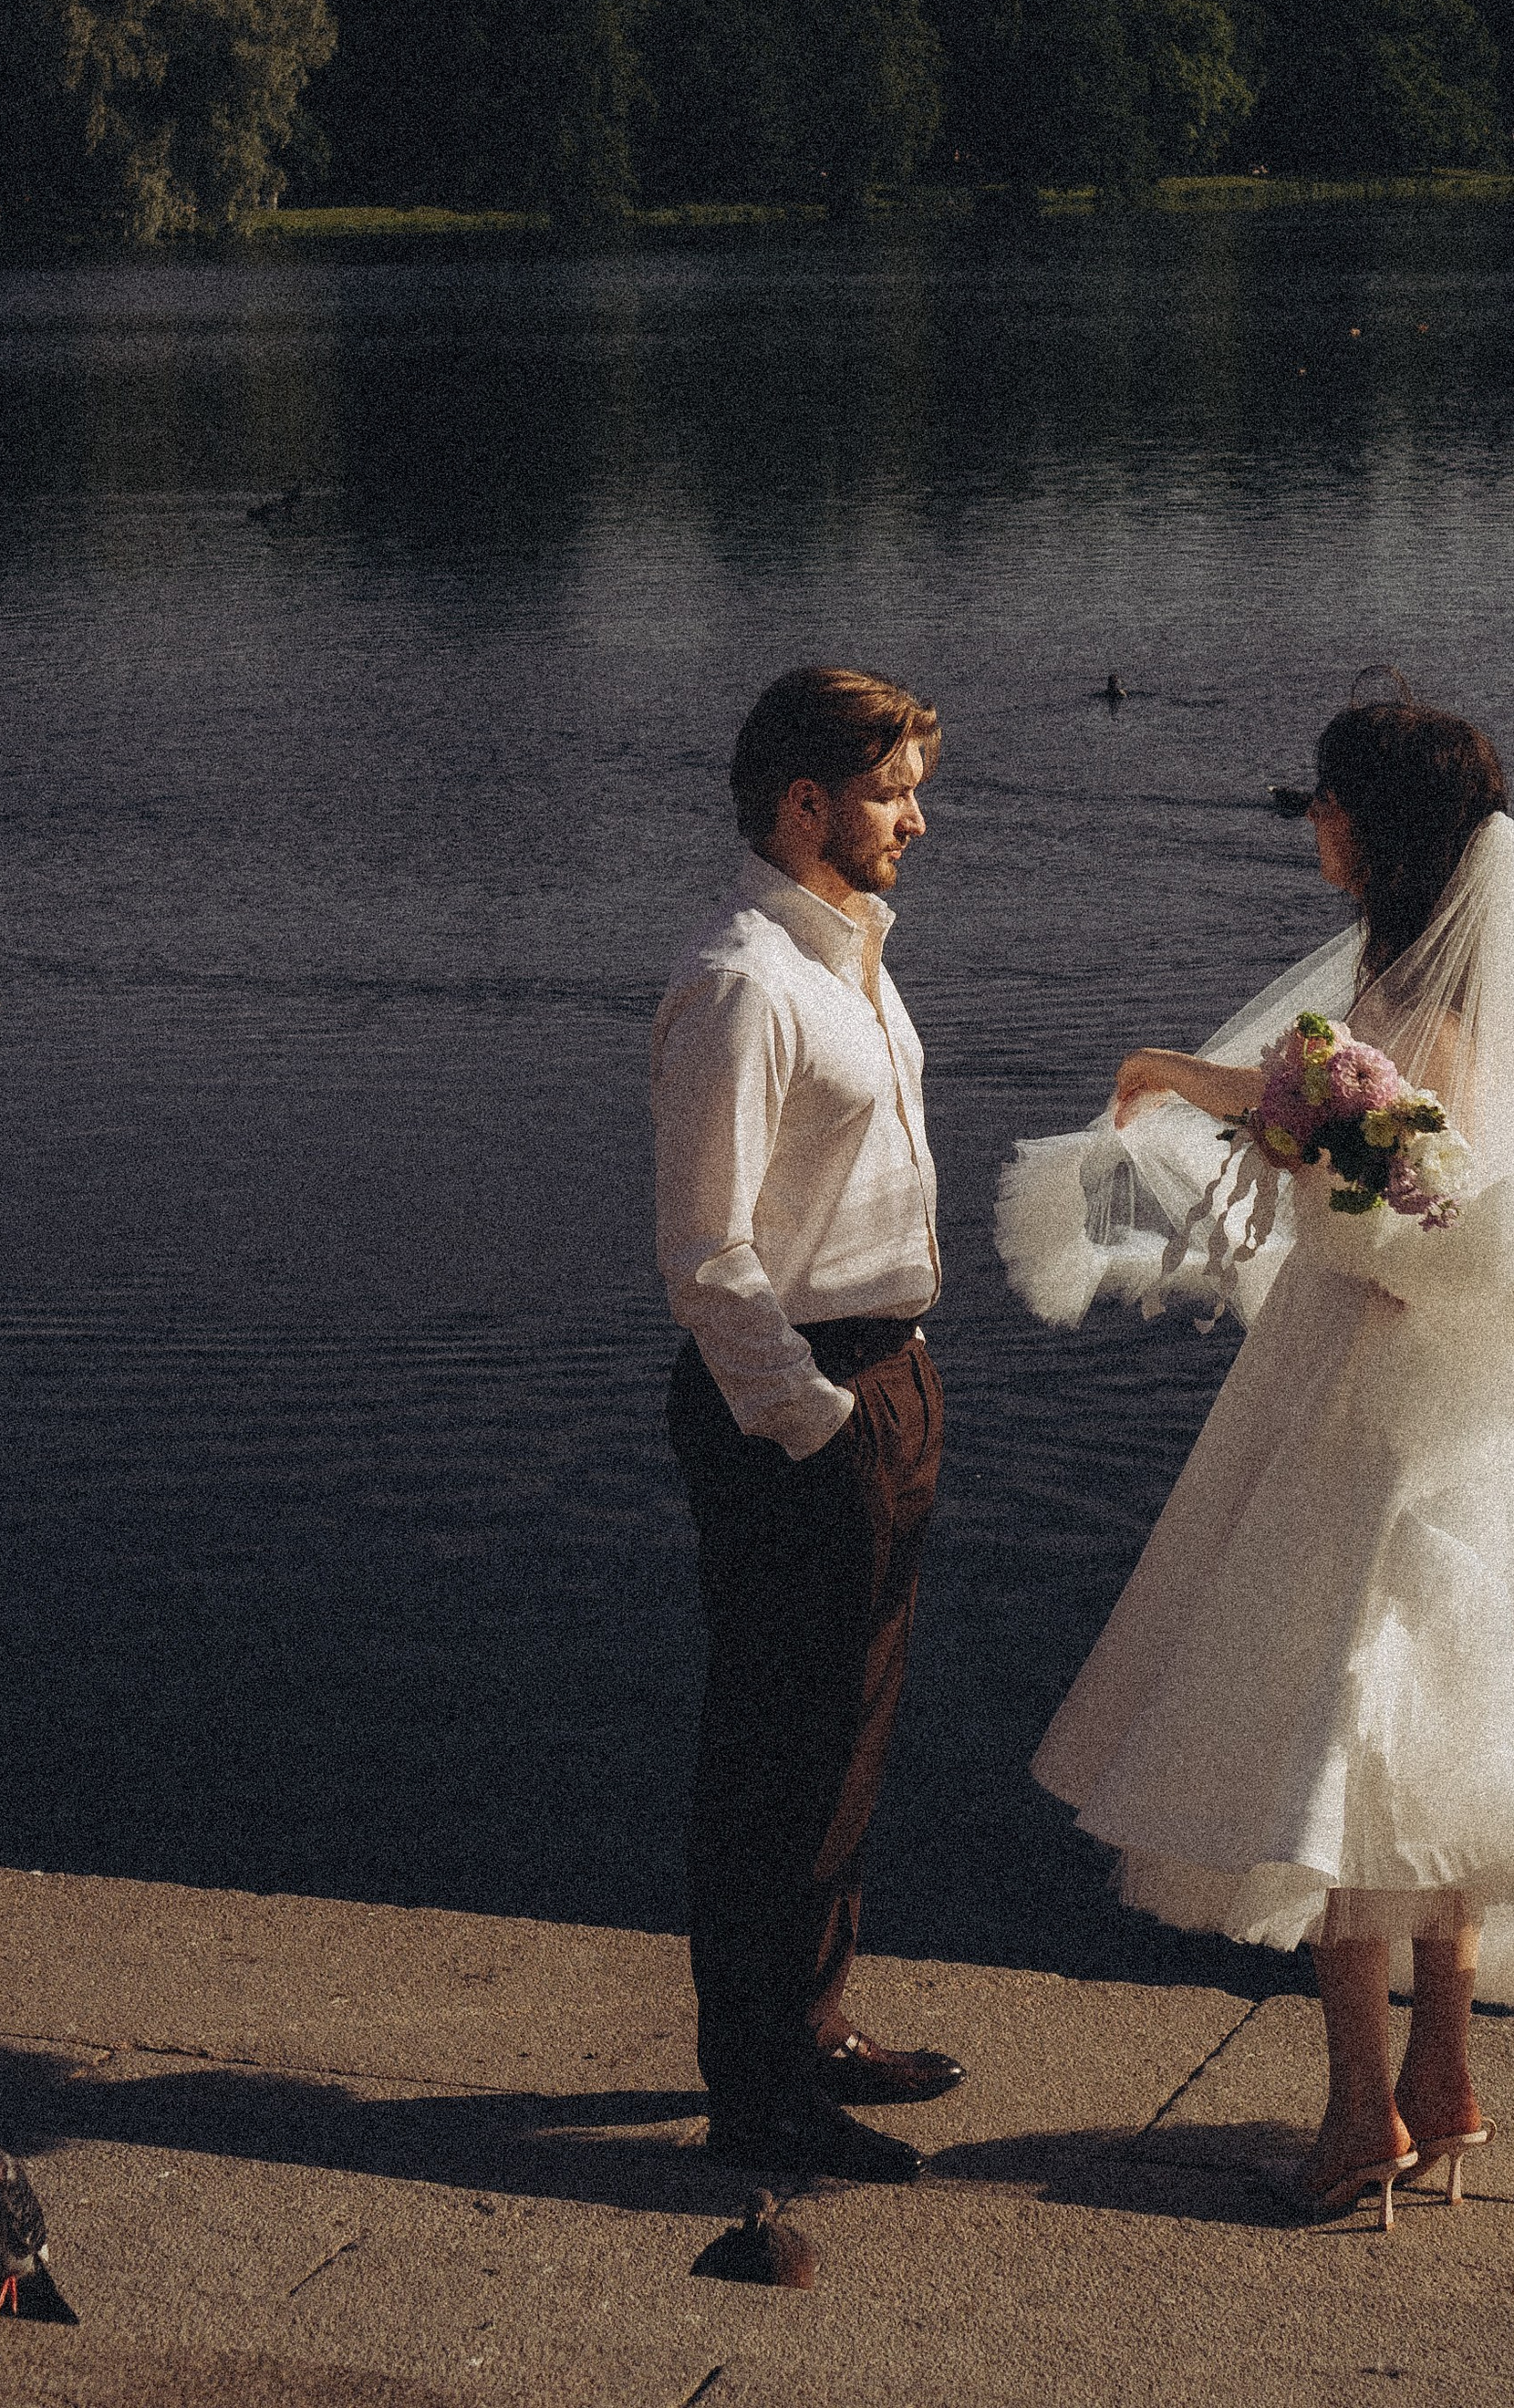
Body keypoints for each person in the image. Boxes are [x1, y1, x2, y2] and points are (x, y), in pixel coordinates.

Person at [996, 693, 1514, 2228]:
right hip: (1410, 1406)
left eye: (1327, 803)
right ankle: (1445, 2085)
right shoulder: (1397, 985)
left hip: (1378, 1404)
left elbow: (1416, 1232)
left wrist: (1321, 1187)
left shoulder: (1434, 1019)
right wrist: (1191, 1085)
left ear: (1375, 828)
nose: (1312, 825)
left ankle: (1357, 2121)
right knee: (1430, 1754)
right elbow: (1316, 1114)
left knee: (1344, 1741)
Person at [654, 664, 962, 2187]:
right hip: (796, 1399)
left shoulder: (853, 960)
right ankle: (755, 2086)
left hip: (885, 1373)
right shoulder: (742, 984)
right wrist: (817, 1423)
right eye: (892, 789)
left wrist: (882, 1399)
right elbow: (708, 1256)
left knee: (852, 1731)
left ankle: (815, 2026)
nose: (917, 815)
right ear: (804, 804)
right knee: (775, 1750)